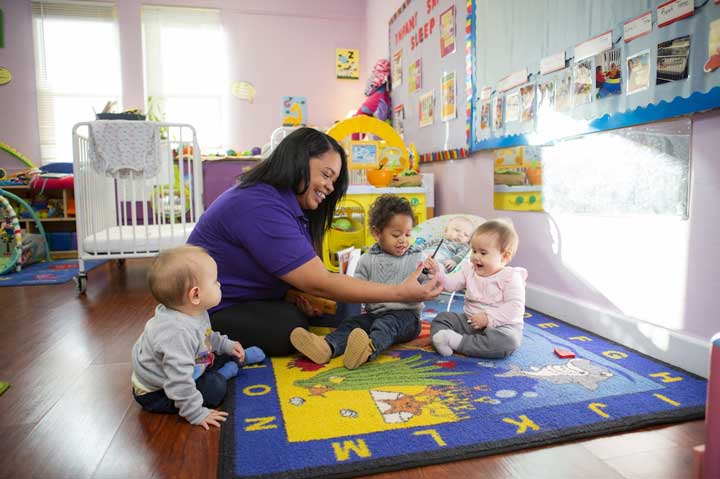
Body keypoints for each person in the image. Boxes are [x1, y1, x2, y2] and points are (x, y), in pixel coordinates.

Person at [187, 128, 443, 357]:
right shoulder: (260, 204)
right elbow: (318, 282)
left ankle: (352, 338)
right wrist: (400, 293)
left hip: (252, 297)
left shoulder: (289, 206)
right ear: (298, 161)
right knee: (289, 327)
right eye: (326, 175)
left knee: (345, 303)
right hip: (210, 308)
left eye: (334, 181)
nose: (330, 187)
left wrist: (291, 293)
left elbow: (299, 271)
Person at [131, 245, 266, 429]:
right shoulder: (175, 334)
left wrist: (226, 345)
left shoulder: (193, 311)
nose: (219, 284)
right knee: (215, 388)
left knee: (215, 353)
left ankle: (235, 359)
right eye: (215, 281)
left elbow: (206, 336)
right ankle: (223, 373)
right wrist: (197, 414)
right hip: (159, 392)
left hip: (188, 363)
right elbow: (179, 384)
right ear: (195, 294)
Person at [289, 195, 425, 369]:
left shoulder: (416, 257)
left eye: (407, 234)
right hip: (374, 314)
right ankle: (327, 347)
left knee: (384, 325)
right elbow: (355, 292)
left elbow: (429, 282)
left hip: (407, 318)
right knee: (353, 323)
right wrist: (322, 309)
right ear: (377, 233)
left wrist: (432, 273)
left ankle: (368, 349)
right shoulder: (366, 260)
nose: (403, 240)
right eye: (396, 234)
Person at [425, 219, 527, 359]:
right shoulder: (469, 270)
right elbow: (450, 284)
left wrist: (488, 317)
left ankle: (456, 341)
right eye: (473, 251)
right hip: (470, 322)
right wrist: (437, 272)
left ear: (505, 256)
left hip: (501, 327)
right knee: (442, 318)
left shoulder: (511, 277)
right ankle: (447, 339)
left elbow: (515, 307)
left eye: (483, 253)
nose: (475, 257)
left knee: (508, 342)